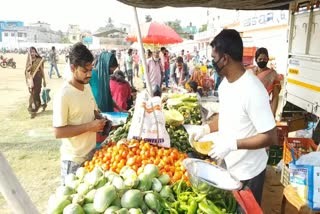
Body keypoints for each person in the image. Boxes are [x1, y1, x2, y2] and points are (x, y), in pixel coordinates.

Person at [188, 29, 277, 206]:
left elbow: (271, 136)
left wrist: (233, 144)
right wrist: (206, 128)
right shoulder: (225, 86)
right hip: (230, 165)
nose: (212, 62)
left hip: (250, 171)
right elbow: (228, 116)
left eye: (214, 58)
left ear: (225, 58)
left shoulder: (253, 90)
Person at [53, 43, 107, 184]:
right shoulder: (64, 94)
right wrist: (90, 126)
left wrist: (101, 119)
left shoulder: (86, 86)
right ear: (73, 68)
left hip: (91, 155)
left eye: (91, 69)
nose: (89, 74)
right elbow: (58, 132)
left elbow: (94, 111)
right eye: (85, 71)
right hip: (73, 161)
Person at [253, 47, 281, 117]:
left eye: (265, 59)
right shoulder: (251, 72)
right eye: (260, 59)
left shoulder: (272, 74)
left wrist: (273, 113)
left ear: (268, 60)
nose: (262, 61)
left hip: (263, 108)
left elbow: (275, 96)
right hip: (249, 108)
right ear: (256, 60)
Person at [25, 46, 46, 119]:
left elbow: (42, 70)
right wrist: (28, 69)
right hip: (31, 79)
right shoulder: (28, 61)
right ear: (29, 53)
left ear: (36, 52)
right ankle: (36, 107)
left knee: (35, 93)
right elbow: (26, 72)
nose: (32, 53)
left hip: (38, 78)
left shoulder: (39, 60)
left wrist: (44, 80)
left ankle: (33, 109)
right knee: (33, 93)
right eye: (31, 52)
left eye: (34, 51)